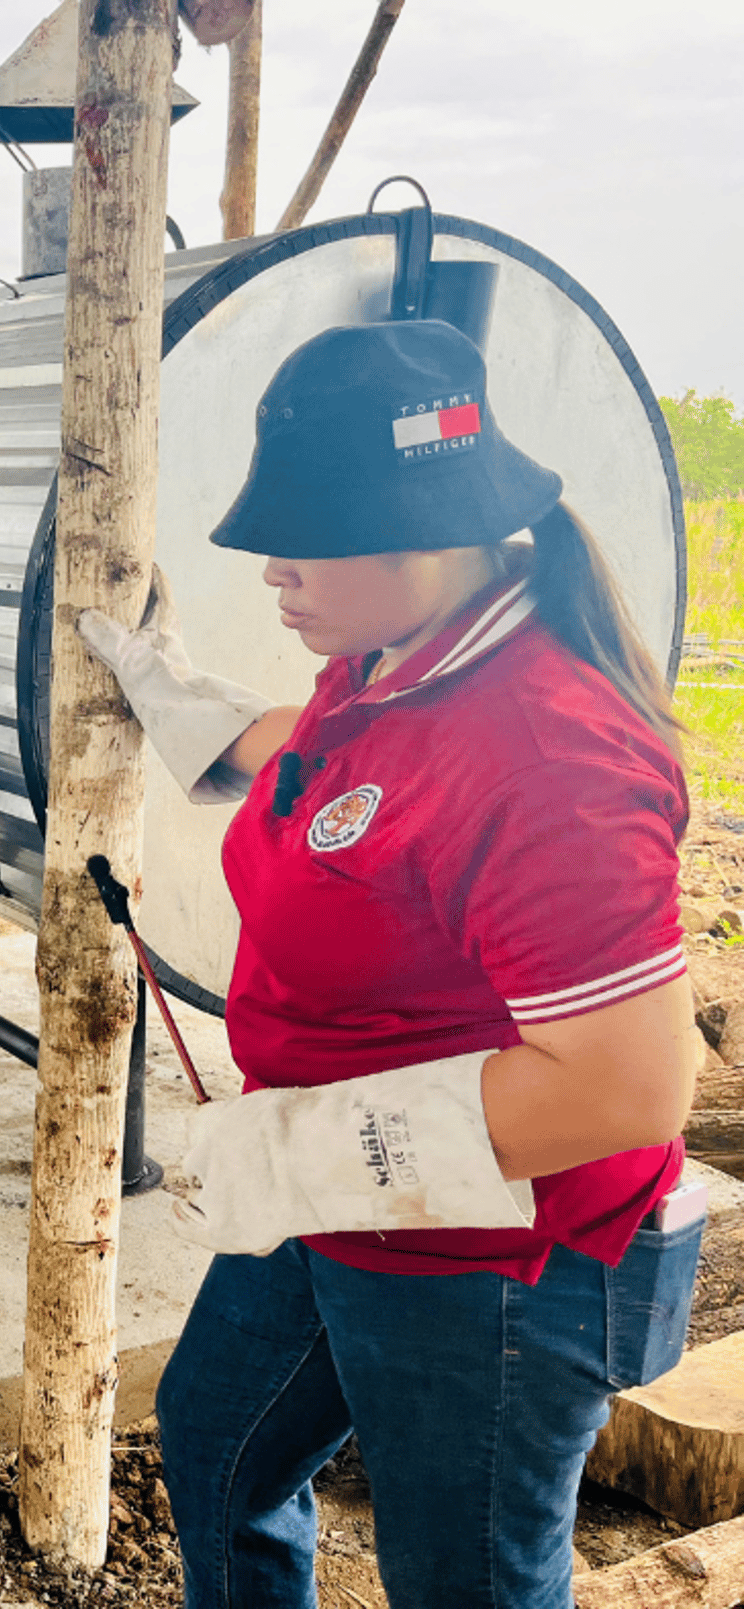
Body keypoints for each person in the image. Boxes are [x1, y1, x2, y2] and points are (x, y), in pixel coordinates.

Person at [77, 318, 705, 1609]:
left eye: (302, 539)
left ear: (423, 532)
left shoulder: (545, 754)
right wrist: (167, 688)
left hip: (489, 1261)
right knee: (215, 1445)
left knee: (463, 1573)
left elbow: (626, 1090)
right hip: (342, 1201)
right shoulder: (388, 661)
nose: (268, 570)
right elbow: (328, 773)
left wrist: (294, 1148)